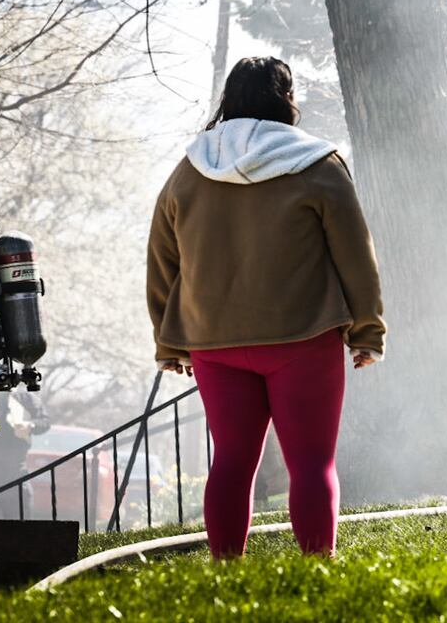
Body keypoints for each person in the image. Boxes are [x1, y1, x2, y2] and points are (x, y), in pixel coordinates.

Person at [147, 57, 385, 559]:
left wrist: (169, 340)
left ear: (229, 99)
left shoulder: (189, 170)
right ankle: (317, 567)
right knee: (311, 463)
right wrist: (367, 330)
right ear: (287, 99)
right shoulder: (317, 165)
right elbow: (355, 255)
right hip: (303, 337)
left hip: (214, 343)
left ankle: (226, 570)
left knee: (232, 462)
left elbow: (163, 257)